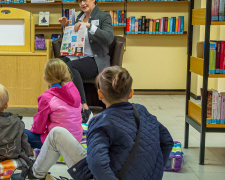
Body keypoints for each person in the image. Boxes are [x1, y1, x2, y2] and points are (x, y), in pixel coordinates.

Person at [11, 66, 174, 180]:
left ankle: (34, 176)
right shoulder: (142, 111)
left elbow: (97, 163)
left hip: (109, 175)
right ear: (131, 93)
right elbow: (167, 141)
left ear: (100, 95)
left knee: (56, 134)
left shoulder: (100, 121)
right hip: (141, 174)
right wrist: (155, 169)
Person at [58, 0, 114, 123]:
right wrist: (66, 27)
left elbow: (109, 38)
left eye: (85, 0)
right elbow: (75, 39)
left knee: (71, 67)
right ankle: (62, 104)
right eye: (80, 2)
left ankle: (84, 107)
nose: (82, 4)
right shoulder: (79, 17)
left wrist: (89, 26)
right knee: (57, 66)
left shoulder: (104, 16)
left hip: (96, 59)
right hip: (79, 56)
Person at [24, 59, 83, 149]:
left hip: (56, 143)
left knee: (21, 132)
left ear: (45, 77)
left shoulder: (47, 97)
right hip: (76, 140)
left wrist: (32, 130)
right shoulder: (74, 92)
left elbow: (38, 128)